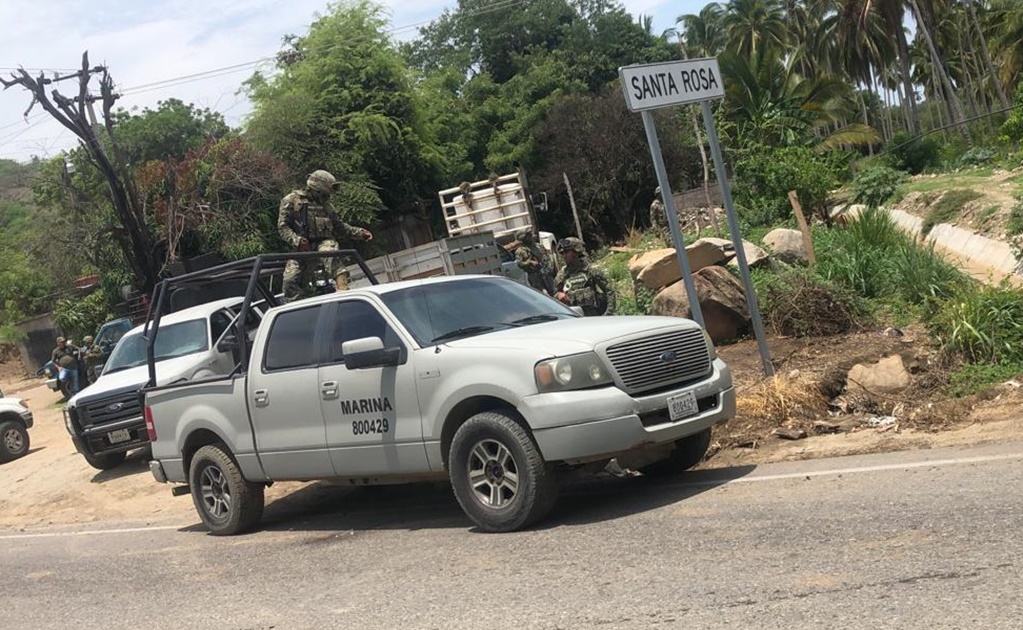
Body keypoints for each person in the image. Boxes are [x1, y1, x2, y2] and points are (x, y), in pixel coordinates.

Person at [278, 169, 373, 302]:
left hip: (323, 242)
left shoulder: (327, 207)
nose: (327, 197)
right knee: (290, 279)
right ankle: (296, 309)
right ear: (316, 190)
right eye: (324, 194)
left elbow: (340, 226)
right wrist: (297, 240)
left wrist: (360, 233)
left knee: (329, 251)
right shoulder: (291, 200)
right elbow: (283, 227)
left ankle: (343, 289)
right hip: (302, 247)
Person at [554, 237, 616, 316]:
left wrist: (608, 313)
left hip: (594, 315)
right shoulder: (562, 274)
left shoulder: (590, 270)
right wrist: (559, 294)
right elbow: (553, 295)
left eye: (566, 252)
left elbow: (609, 291)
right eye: (562, 253)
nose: (564, 255)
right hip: (574, 317)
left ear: (576, 251)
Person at [513, 229, 553, 294]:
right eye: (528, 235)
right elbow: (520, 264)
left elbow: (546, 257)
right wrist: (530, 262)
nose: (531, 236)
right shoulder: (521, 251)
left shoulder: (538, 246)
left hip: (546, 274)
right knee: (543, 294)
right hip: (535, 277)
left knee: (553, 292)